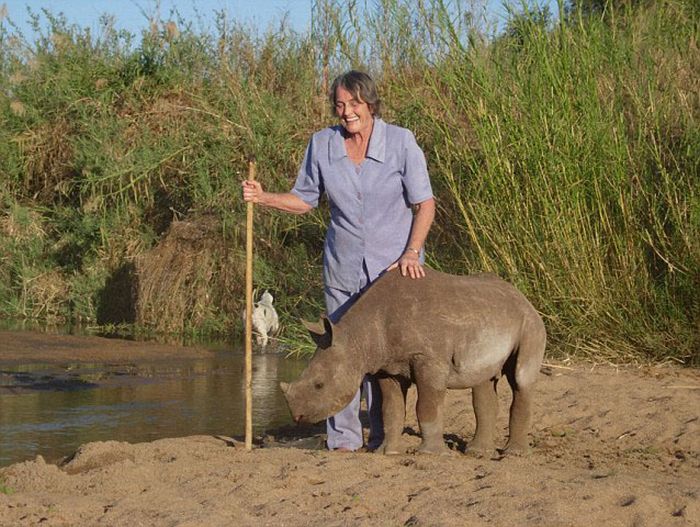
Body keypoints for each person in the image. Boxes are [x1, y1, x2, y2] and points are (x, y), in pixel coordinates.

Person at [241, 70, 435, 452]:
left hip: (392, 274)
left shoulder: (401, 143)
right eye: (340, 105)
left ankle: (382, 436)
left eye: (354, 104)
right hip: (342, 267)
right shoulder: (322, 144)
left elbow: (424, 204)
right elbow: (305, 199)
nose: (346, 112)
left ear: (371, 104)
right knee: (339, 353)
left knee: (385, 359)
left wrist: (412, 251)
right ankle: (342, 440)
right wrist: (264, 198)